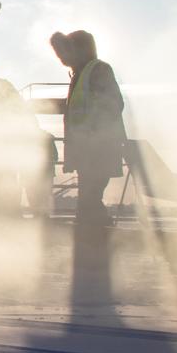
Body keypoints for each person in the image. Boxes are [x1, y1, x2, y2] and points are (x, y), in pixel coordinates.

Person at [50, 30, 126, 225]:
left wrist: (94, 132)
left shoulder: (98, 70)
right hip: (87, 146)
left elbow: (113, 103)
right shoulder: (82, 73)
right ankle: (93, 225)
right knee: (89, 191)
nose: (63, 58)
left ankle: (92, 228)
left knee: (91, 190)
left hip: (97, 145)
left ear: (81, 50)